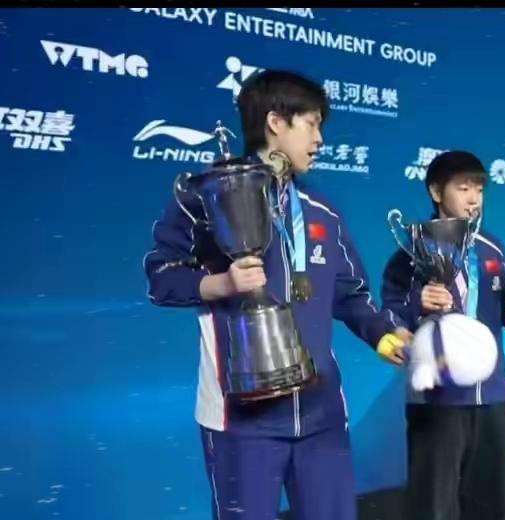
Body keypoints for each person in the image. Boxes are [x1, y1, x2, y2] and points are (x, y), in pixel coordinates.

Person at [144, 69, 411, 520]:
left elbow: (350, 294)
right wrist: (222, 284)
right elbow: (161, 278)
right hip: (240, 418)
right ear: (275, 122)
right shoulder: (207, 198)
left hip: (321, 414)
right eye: (312, 124)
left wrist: (385, 335)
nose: (320, 140)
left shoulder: (322, 212)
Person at [379, 150, 505, 520]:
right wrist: (419, 304)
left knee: (489, 504)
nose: (473, 199)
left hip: (492, 399)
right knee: (432, 506)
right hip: (437, 400)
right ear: (436, 191)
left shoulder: (492, 248)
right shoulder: (411, 251)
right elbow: (391, 314)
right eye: (463, 188)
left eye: (479, 190)